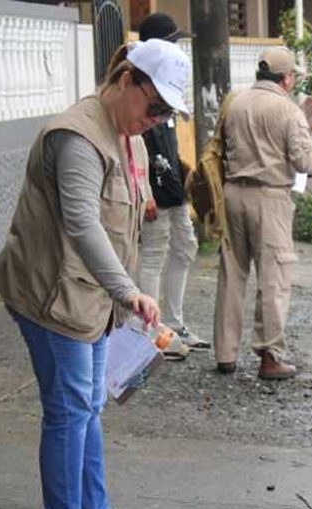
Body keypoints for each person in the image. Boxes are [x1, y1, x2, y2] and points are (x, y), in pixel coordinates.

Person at [0, 39, 191, 509]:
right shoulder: (76, 137)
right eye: (155, 104)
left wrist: (127, 297)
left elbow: (124, 225)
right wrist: (128, 291)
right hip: (53, 297)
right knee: (70, 410)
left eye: (168, 111)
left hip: (93, 300)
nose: (158, 118)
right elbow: (83, 225)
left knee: (88, 407)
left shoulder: (132, 138)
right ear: (126, 80)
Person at [213, 46, 312, 380]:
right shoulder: (287, 110)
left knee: (232, 273)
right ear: (286, 78)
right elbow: (303, 162)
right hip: (269, 197)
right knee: (274, 278)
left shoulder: (236, 102)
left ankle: (225, 354)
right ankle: (270, 356)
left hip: (232, 193)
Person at [133, 13, 210, 351]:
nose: (178, 49)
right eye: (173, 41)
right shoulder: (139, 87)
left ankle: (175, 323)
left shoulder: (167, 86)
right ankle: (150, 332)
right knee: (153, 254)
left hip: (172, 187)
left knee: (186, 246)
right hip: (153, 190)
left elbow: (167, 143)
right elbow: (133, 144)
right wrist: (144, 192)